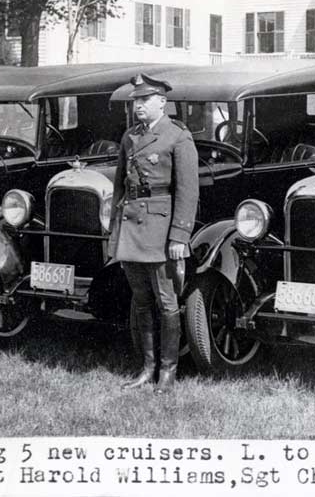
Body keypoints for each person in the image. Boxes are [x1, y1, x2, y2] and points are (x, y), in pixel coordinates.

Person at [111, 73, 199, 394]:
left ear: (162, 102)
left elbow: (188, 192)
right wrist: (115, 234)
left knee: (167, 302)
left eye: (144, 100)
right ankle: (147, 369)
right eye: (135, 101)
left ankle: (168, 373)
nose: (138, 106)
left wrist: (179, 237)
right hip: (132, 227)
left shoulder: (177, 137)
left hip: (161, 231)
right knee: (142, 301)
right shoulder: (129, 137)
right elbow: (120, 187)